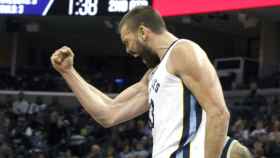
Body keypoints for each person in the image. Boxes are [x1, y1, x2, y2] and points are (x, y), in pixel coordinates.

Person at [51, 6, 249, 158]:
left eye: (127, 41)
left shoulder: (183, 51)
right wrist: (68, 72)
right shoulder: (153, 75)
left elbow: (219, 113)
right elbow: (108, 113)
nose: (128, 51)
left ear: (143, 32)